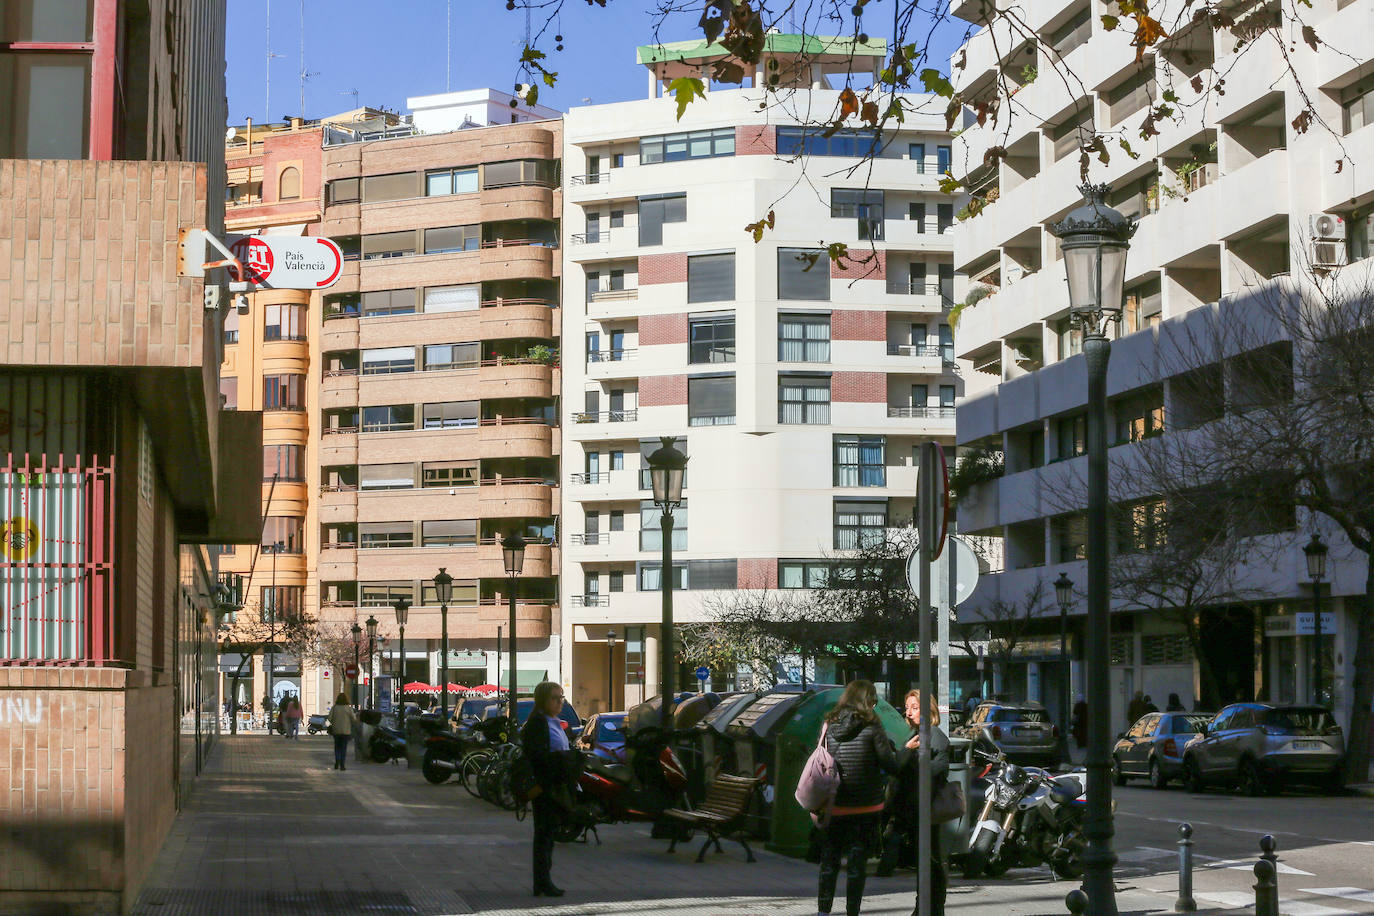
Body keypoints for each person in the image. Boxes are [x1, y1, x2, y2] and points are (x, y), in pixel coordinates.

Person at [816, 679, 898, 916]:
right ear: (868, 700)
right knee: (856, 865)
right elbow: (889, 765)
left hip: (834, 804)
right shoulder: (873, 727)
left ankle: (824, 911)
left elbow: (822, 758)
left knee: (829, 862)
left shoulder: (829, 725)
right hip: (866, 807)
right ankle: (853, 912)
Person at [877, 689, 950, 916]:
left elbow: (932, 772)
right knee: (925, 866)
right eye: (907, 708)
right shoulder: (917, 736)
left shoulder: (933, 736)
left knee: (931, 866)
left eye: (915, 708)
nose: (908, 713)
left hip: (925, 811)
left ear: (929, 711)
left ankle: (928, 910)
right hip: (916, 811)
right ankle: (924, 908)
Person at [521, 681, 581, 898]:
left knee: (548, 835)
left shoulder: (554, 722)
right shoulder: (538, 723)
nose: (560, 702)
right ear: (543, 700)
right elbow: (538, 756)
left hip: (556, 784)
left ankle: (544, 881)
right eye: (555, 698)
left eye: (561, 697)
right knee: (544, 835)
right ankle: (542, 882)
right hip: (545, 787)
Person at [327, 692, 357, 770]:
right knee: (343, 748)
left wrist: (335, 722)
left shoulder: (334, 707)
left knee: (337, 747)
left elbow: (329, 718)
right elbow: (353, 719)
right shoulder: (348, 708)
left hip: (336, 731)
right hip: (346, 731)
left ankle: (337, 761)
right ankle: (342, 765)